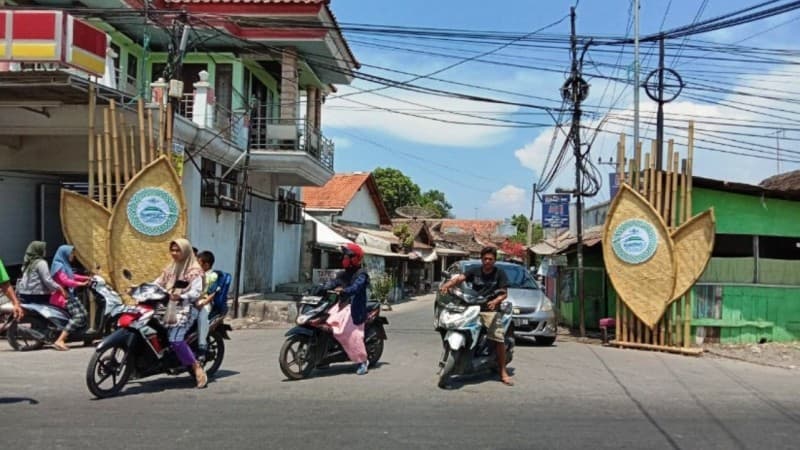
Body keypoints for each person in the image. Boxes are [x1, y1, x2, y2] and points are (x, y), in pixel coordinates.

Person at [439, 246, 513, 386]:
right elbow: (459, 278)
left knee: (498, 338)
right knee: (451, 324)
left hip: (488, 310)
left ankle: (503, 371)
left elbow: (504, 293)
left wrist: (495, 301)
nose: (487, 261)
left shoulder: (500, 273)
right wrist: (447, 285)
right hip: (471, 307)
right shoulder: (474, 270)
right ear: (481, 259)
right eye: (485, 258)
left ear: (494, 260)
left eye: (490, 259)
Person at [153, 239, 208, 388]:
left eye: (178, 250)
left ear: (186, 251)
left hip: (187, 308)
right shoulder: (171, 268)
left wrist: (181, 296)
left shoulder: (195, 271)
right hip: (168, 306)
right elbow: (158, 283)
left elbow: (196, 292)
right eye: (172, 250)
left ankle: (196, 368)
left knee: (175, 339)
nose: (174, 253)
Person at [323, 243, 370, 375]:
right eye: (344, 256)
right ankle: (325, 356)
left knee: (351, 333)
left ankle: (362, 362)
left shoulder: (362, 274)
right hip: (341, 306)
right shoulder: (343, 274)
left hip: (355, 308)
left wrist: (344, 291)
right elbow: (333, 283)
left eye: (347, 256)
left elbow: (356, 288)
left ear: (355, 258)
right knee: (324, 323)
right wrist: (321, 287)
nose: (344, 259)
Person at [50, 245, 90, 351]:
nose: (73, 256)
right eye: (71, 253)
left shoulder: (64, 265)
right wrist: (81, 284)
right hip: (62, 297)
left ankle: (85, 337)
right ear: (65, 253)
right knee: (79, 315)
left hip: (69, 295)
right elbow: (65, 281)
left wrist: (87, 278)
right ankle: (60, 340)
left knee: (84, 313)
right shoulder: (58, 266)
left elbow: (72, 276)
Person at [17, 241, 68, 306]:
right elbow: (47, 280)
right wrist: (59, 288)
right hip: (38, 296)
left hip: (24, 294)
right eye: (44, 249)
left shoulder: (27, 264)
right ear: (39, 250)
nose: (45, 251)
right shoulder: (41, 263)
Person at [195, 250, 217, 363]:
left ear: (206, 265)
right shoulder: (196, 274)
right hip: (193, 300)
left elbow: (214, 292)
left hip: (205, 302)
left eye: (199, 263)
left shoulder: (212, 276)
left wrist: (204, 302)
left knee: (201, 318)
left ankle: (202, 345)